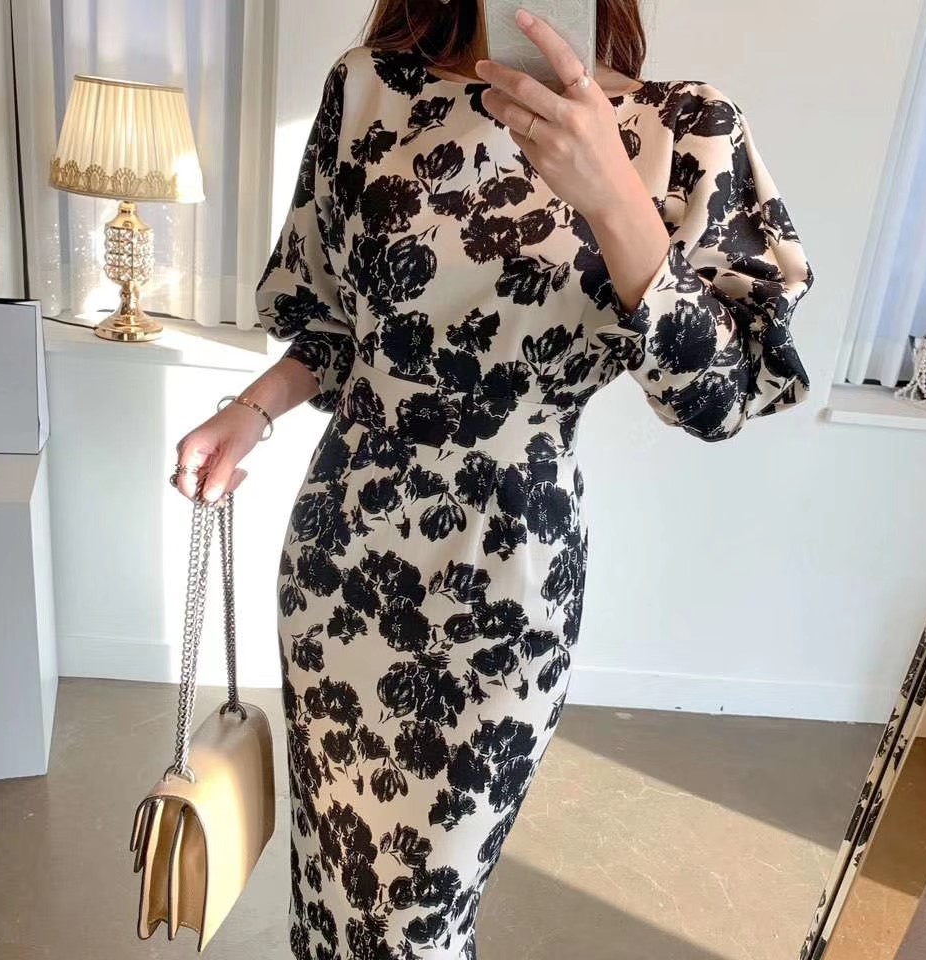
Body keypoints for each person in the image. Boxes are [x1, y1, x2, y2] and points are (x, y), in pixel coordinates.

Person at [170, 2, 814, 957]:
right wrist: (251, 412)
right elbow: (336, 326)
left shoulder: (685, 128)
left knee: (420, 918)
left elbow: (717, 398)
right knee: (332, 886)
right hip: (344, 549)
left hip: (507, 573)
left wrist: (615, 198)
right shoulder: (369, 88)